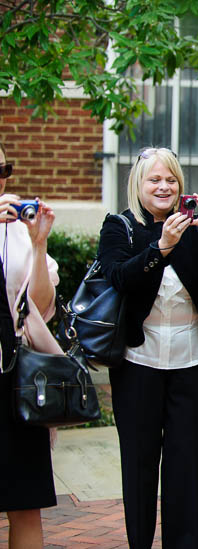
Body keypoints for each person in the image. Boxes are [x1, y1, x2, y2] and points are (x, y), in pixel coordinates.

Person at [97, 147, 198, 548]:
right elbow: (120, 278)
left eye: (171, 179)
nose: (164, 186)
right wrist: (160, 247)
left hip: (191, 359)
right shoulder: (119, 226)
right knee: (140, 461)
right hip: (137, 360)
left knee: (185, 461)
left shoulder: (193, 227)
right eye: (154, 179)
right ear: (138, 185)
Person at [0, 141, 60, 548]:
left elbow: (39, 306)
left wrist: (37, 245)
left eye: (4, 169)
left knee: (25, 504)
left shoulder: (18, 234)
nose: (1, 180)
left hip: (16, 380)